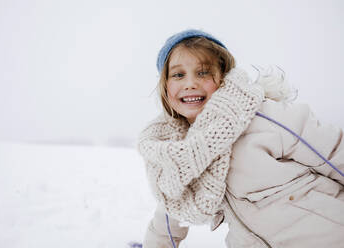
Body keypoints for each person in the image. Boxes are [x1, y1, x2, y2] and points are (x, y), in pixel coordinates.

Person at [137, 29, 344, 248]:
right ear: (165, 87)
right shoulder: (180, 153)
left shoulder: (264, 118)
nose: (190, 83)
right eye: (178, 75)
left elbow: (335, 154)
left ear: (224, 77)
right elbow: (169, 212)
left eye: (203, 72)